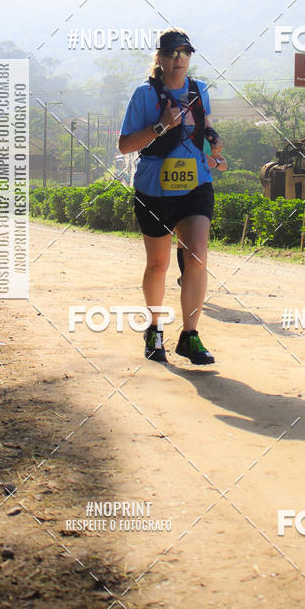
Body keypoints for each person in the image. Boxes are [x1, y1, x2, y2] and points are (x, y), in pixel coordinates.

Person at [118, 29, 223, 365]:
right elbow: (125, 145)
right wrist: (160, 127)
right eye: (172, 53)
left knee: (197, 255)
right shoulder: (144, 95)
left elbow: (203, 128)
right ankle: (153, 328)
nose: (179, 59)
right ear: (160, 58)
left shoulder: (199, 90)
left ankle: (190, 336)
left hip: (196, 184)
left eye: (185, 53)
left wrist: (212, 144)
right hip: (154, 188)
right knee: (159, 264)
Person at [176, 143, 227, 286]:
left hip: (201, 191)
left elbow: (224, 164)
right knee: (183, 238)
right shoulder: (176, 132)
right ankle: (186, 278)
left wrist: (215, 163)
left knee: (198, 240)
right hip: (178, 188)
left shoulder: (206, 138)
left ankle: (189, 279)